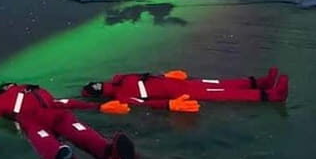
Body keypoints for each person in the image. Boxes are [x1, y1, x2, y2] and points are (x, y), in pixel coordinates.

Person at [0, 82, 138, 159]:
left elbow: (62, 102)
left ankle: (108, 153)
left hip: (53, 116)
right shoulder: (4, 98)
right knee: (67, 138)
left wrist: (98, 107)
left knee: (79, 134)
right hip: (41, 119)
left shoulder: (34, 90)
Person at [76, 67, 289, 109]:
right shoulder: (123, 97)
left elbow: (146, 76)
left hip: (180, 83)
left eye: (96, 83)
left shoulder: (120, 79)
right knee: (225, 93)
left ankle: (260, 83)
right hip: (180, 93)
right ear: (100, 94)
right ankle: (272, 96)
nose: (99, 84)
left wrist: (167, 76)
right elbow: (146, 103)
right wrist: (171, 104)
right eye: (97, 88)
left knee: (220, 84)